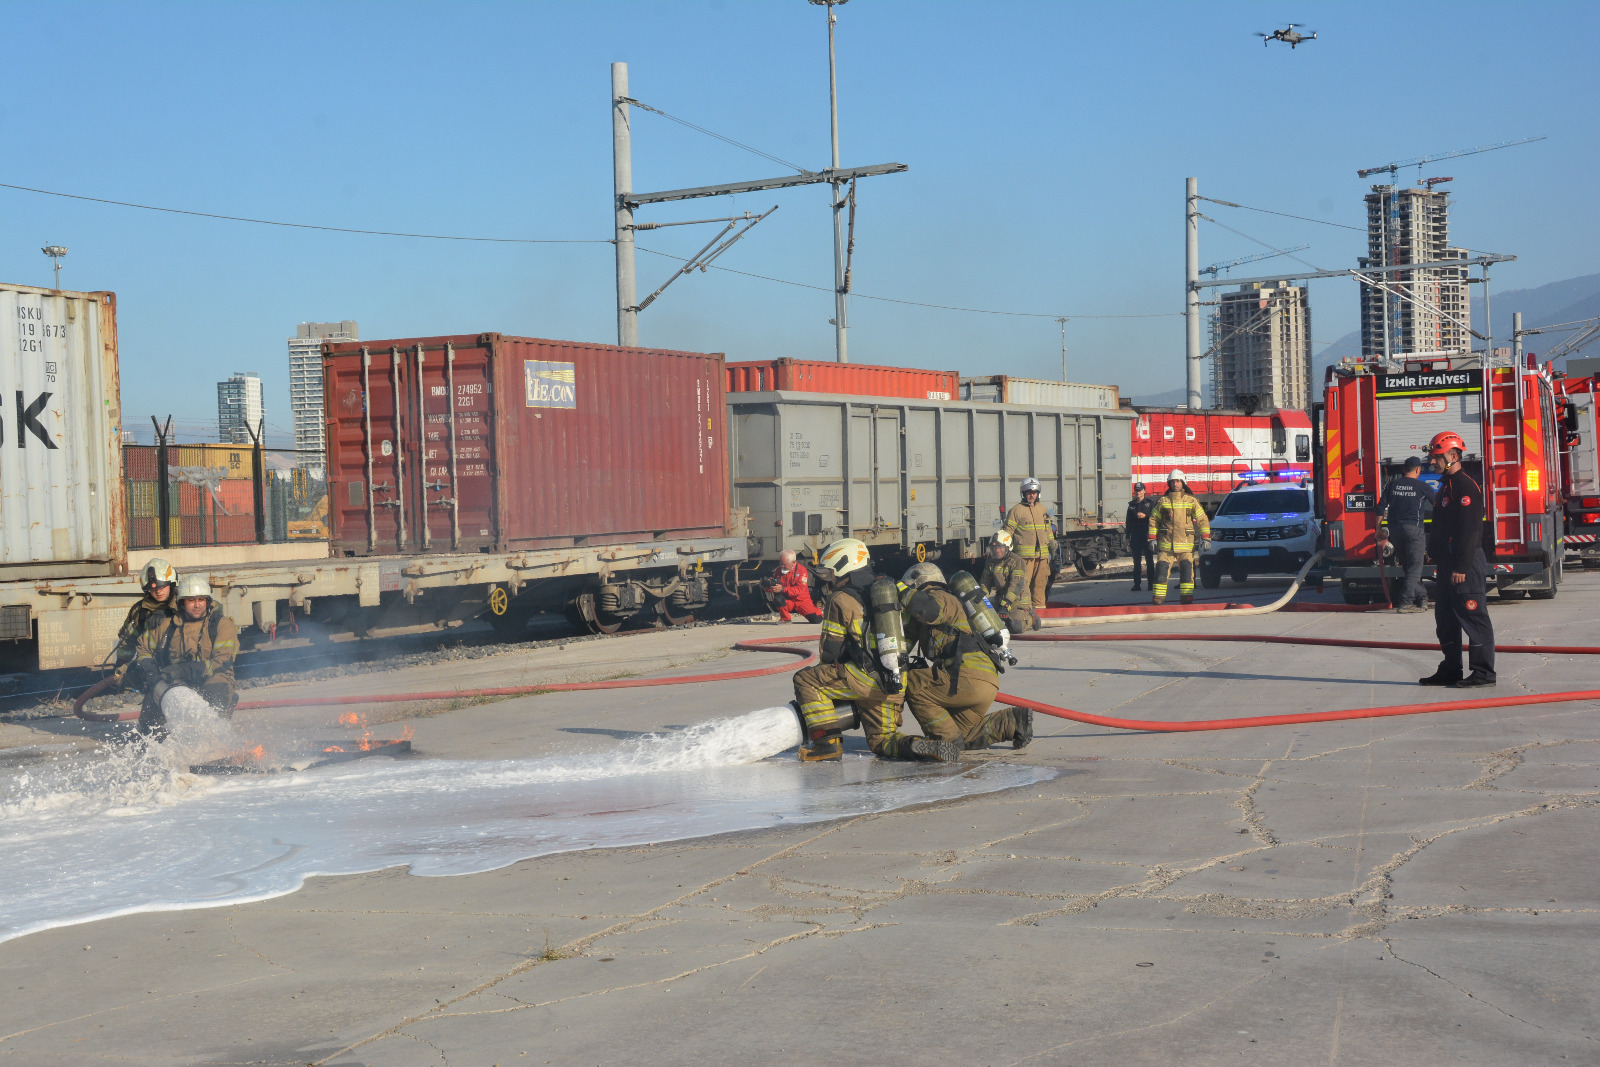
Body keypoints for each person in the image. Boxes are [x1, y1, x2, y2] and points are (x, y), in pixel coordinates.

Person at [790, 538, 953, 762]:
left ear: (844, 566)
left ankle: (826, 744)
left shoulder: (840, 599)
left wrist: (830, 692)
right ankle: (922, 746)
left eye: (831, 573)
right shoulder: (891, 590)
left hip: (863, 677)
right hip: (896, 679)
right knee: (882, 740)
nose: (831, 579)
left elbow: (830, 652)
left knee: (806, 680)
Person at [899, 562, 1031, 753]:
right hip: (986, 681)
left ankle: (945, 742)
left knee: (913, 684)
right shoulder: (956, 604)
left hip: (965, 677)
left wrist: (900, 590)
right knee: (965, 734)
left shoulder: (940, 597)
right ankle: (1012, 722)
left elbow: (929, 610)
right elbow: (904, 643)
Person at [1420, 432, 1496, 688]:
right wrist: (1433, 552)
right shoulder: (1446, 486)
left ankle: (1483, 673)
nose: (1432, 462)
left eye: (1437, 457)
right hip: (1447, 564)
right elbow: (1441, 525)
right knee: (1445, 619)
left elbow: (1470, 530)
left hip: (1465, 564)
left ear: (1453, 456)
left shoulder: (1465, 487)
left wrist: (1462, 566)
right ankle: (1451, 669)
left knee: (1473, 618)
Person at [132, 574, 240, 736]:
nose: (197, 605)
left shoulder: (221, 625)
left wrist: (185, 669)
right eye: (191, 600)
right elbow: (143, 648)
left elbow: (222, 661)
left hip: (211, 677)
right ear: (182, 603)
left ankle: (218, 730)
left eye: (201, 599)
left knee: (216, 694)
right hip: (176, 680)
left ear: (207, 601)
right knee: (150, 726)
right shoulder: (168, 624)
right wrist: (152, 674)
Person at [1378, 457, 1436, 612]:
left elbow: (1381, 507)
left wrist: (1378, 529)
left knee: (1408, 568)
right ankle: (1406, 602)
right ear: (1418, 470)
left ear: (1404, 470)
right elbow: (1438, 504)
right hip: (1414, 530)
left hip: (1395, 530)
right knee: (1415, 568)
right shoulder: (1422, 486)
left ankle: (1422, 597)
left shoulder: (1392, 485)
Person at [109, 558, 179, 688]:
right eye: (153, 589)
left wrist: (168, 612)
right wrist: (121, 668)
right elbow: (127, 642)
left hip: (181, 667)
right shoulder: (140, 611)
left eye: (162, 586)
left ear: (172, 584)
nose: (158, 591)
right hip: (152, 669)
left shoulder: (185, 603)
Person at [1149, 469, 1210, 605]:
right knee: (1161, 571)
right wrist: (1152, 538)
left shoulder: (1191, 501)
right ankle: (1158, 598)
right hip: (1166, 545)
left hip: (1185, 545)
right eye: (1172, 482)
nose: (1175, 484)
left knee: (1187, 572)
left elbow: (1202, 520)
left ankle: (1186, 597)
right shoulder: (1163, 501)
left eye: (1178, 481)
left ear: (1183, 483)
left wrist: (1206, 537)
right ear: (1169, 483)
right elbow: (1153, 520)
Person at [1005, 477, 1057, 613]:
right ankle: (1021, 613)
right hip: (1024, 558)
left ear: (1038, 493)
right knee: (1022, 586)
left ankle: (1039, 612)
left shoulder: (1043, 510)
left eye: (1034, 492)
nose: (1031, 495)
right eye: (1028, 492)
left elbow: (1048, 529)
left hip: (1042, 557)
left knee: (1040, 585)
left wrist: (1052, 542)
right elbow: (1008, 531)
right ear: (1023, 493)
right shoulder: (1016, 511)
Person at [981, 529, 1037, 633]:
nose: (997, 551)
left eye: (1000, 548)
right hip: (1000, 599)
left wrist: (1006, 604)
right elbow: (985, 582)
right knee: (986, 622)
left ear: (1008, 547)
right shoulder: (990, 562)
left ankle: (1032, 619)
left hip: (1017, 600)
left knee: (1015, 627)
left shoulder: (1017, 561)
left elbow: (1016, 585)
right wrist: (982, 599)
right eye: (994, 548)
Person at [763, 549, 822, 622]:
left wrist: (783, 589)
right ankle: (785, 618)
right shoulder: (778, 570)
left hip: (801, 601)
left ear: (793, 562)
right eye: (781, 563)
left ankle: (818, 611)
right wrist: (769, 586)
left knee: (817, 620)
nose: (782, 566)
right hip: (788, 600)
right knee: (778, 599)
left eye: (784, 564)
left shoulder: (802, 570)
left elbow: (800, 590)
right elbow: (773, 588)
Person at [1124, 483, 1154, 592]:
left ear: (1144, 491)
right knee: (1136, 562)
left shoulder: (1150, 504)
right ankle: (1137, 584)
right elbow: (1128, 522)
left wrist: (1146, 516)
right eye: (1136, 490)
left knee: (1149, 561)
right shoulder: (1131, 505)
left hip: (1147, 535)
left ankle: (1151, 584)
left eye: (1140, 490)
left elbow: (1155, 518)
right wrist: (1127, 536)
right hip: (1135, 536)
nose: (1138, 492)